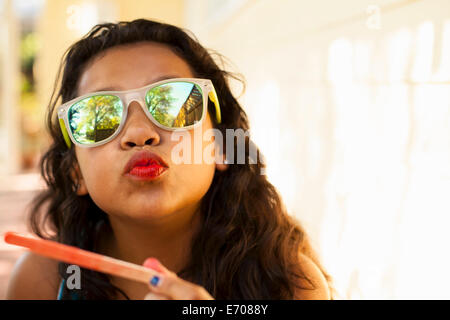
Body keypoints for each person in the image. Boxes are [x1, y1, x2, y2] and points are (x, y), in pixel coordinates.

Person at [6, 18, 333, 300]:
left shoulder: (290, 284)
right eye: (99, 116)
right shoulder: (42, 282)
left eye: (172, 102)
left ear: (220, 146)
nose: (138, 132)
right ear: (75, 171)